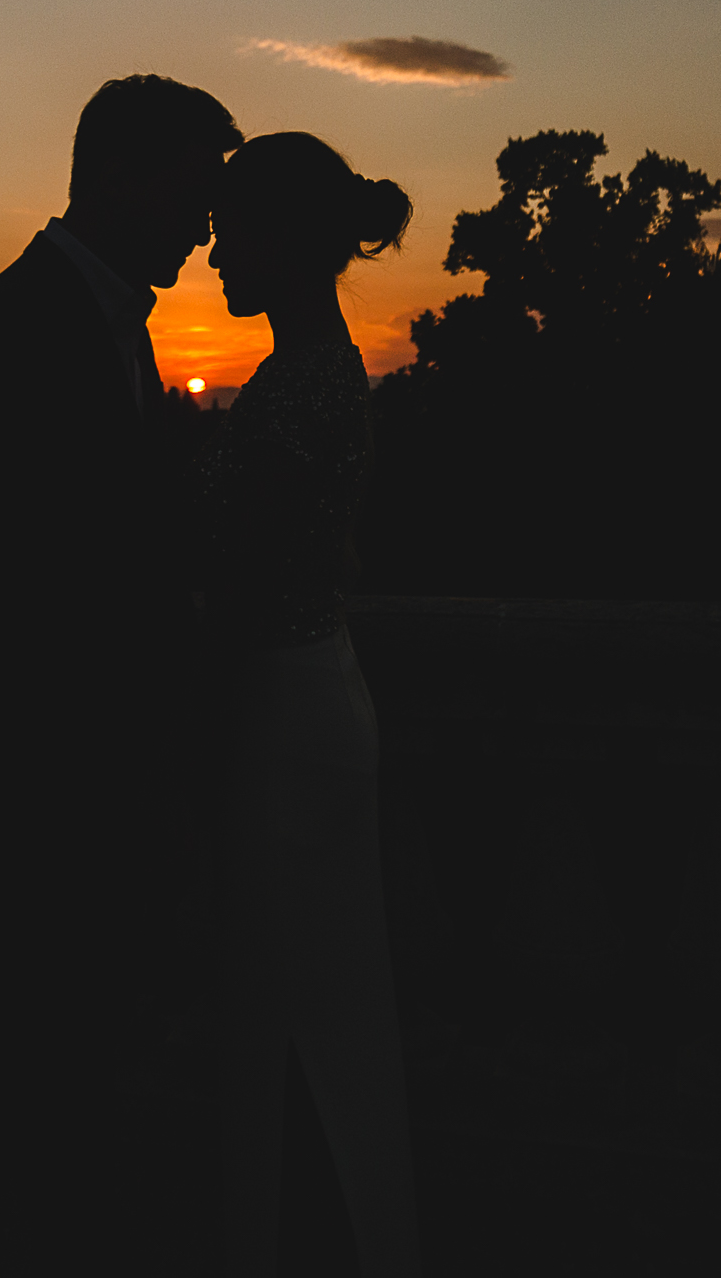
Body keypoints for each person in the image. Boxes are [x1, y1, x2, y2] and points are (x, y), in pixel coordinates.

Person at [0, 73, 242, 1266]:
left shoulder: (116, 319)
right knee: (36, 1060)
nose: (205, 227)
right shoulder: (22, 321)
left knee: (77, 1057)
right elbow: (32, 571)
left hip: (93, 769)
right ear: (118, 178)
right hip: (43, 769)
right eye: (191, 193)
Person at [191, 131, 423, 1277]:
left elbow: (231, 582)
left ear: (281, 240)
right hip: (307, 698)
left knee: (294, 995)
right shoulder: (321, 369)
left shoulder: (299, 384)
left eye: (231, 228)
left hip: (286, 714)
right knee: (317, 987)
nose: (213, 251)